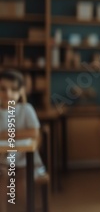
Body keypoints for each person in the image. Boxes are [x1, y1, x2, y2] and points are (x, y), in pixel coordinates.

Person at [0, 69, 46, 212]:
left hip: (26, 161)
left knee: (21, 183)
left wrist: (5, 134)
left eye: (13, 89)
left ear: (21, 92)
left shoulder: (26, 109)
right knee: (2, 179)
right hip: (2, 160)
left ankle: (29, 208)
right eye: (2, 89)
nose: (8, 94)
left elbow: (33, 132)